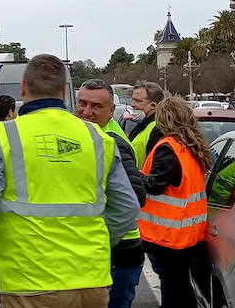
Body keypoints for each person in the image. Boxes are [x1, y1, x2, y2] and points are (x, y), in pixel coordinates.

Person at [0, 55, 139, 308]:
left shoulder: (4, 136)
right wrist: (96, 246)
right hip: (91, 283)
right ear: (65, 91)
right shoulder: (97, 137)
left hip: (28, 284)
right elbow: (127, 209)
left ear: (23, 89)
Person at [75, 80, 147, 308]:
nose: (87, 112)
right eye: (82, 103)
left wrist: (100, 240)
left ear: (112, 110)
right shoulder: (86, 135)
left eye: (97, 106)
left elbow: (135, 197)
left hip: (118, 252)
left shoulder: (113, 141)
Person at [139, 96, 212, 308]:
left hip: (167, 234)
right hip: (186, 231)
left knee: (172, 283)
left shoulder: (168, 148)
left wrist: (135, 174)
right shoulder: (191, 146)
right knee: (179, 284)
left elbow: (155, 184)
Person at [127, 81, 166, 165]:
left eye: (138, 101)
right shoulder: (142, 124)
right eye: (132, 100)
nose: (132, 104)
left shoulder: (158, 129)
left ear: (153, 105)